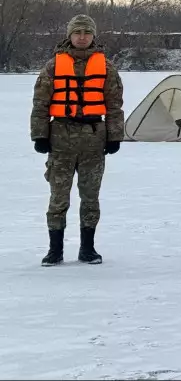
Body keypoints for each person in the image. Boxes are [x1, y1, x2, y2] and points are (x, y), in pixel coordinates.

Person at [30, 14, 125, 266]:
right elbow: (40, 104)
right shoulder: (52, 67)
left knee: (90, 197)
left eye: (86, 33)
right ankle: (55, 250)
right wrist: (40, 135)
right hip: (60, 138)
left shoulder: (106, 67)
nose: (82, 37)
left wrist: (115, 136)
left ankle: (88, 249)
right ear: (69, 35)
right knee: (58, 197)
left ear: (93, 36)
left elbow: (115, 106)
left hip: (94, 140)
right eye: (77, 32)